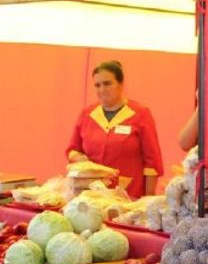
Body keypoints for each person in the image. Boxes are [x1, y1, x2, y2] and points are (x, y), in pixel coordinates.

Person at [66, 60, 164, 199]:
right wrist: (78, 158)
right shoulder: (87, 114)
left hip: (128, 194)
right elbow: (72, 149)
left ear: (121, 84)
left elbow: (152, 162)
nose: (102, 90)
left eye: (107, 83)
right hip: (91, 195)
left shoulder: (141, 114)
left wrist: (148, 200)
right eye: (97, 85)